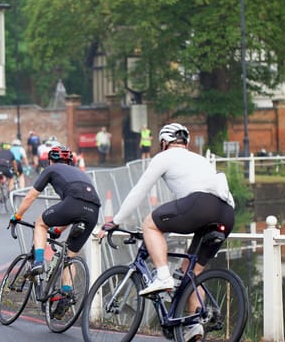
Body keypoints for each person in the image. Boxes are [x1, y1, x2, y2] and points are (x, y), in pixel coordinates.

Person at [99, 122, 234, 341]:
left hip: (200, 205)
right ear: (186, 142)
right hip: (226, 213)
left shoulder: (164, 157)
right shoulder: (199, 159)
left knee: (150, 224)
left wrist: (115, 221)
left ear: (164, 143)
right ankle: (195, 325)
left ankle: (162, 276)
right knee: (191, 273)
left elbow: (139, 191)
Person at [10, 145, 100, 316]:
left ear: (50, 160)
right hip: (94, 210)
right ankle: (65, 294)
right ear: (70, 161)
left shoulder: (51, 169)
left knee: (40, 224)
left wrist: (17, 216)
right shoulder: (81, 174)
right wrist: (58, 229)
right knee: (69, 257)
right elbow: (76, 208)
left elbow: (30, 197)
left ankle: (38, 262)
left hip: (74, 203)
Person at [0, 143, 17, 207]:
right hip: (5, 167)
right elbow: (14, 163)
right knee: (11, 177)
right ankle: (9, 191)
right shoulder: (11, 153)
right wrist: (16, 171)